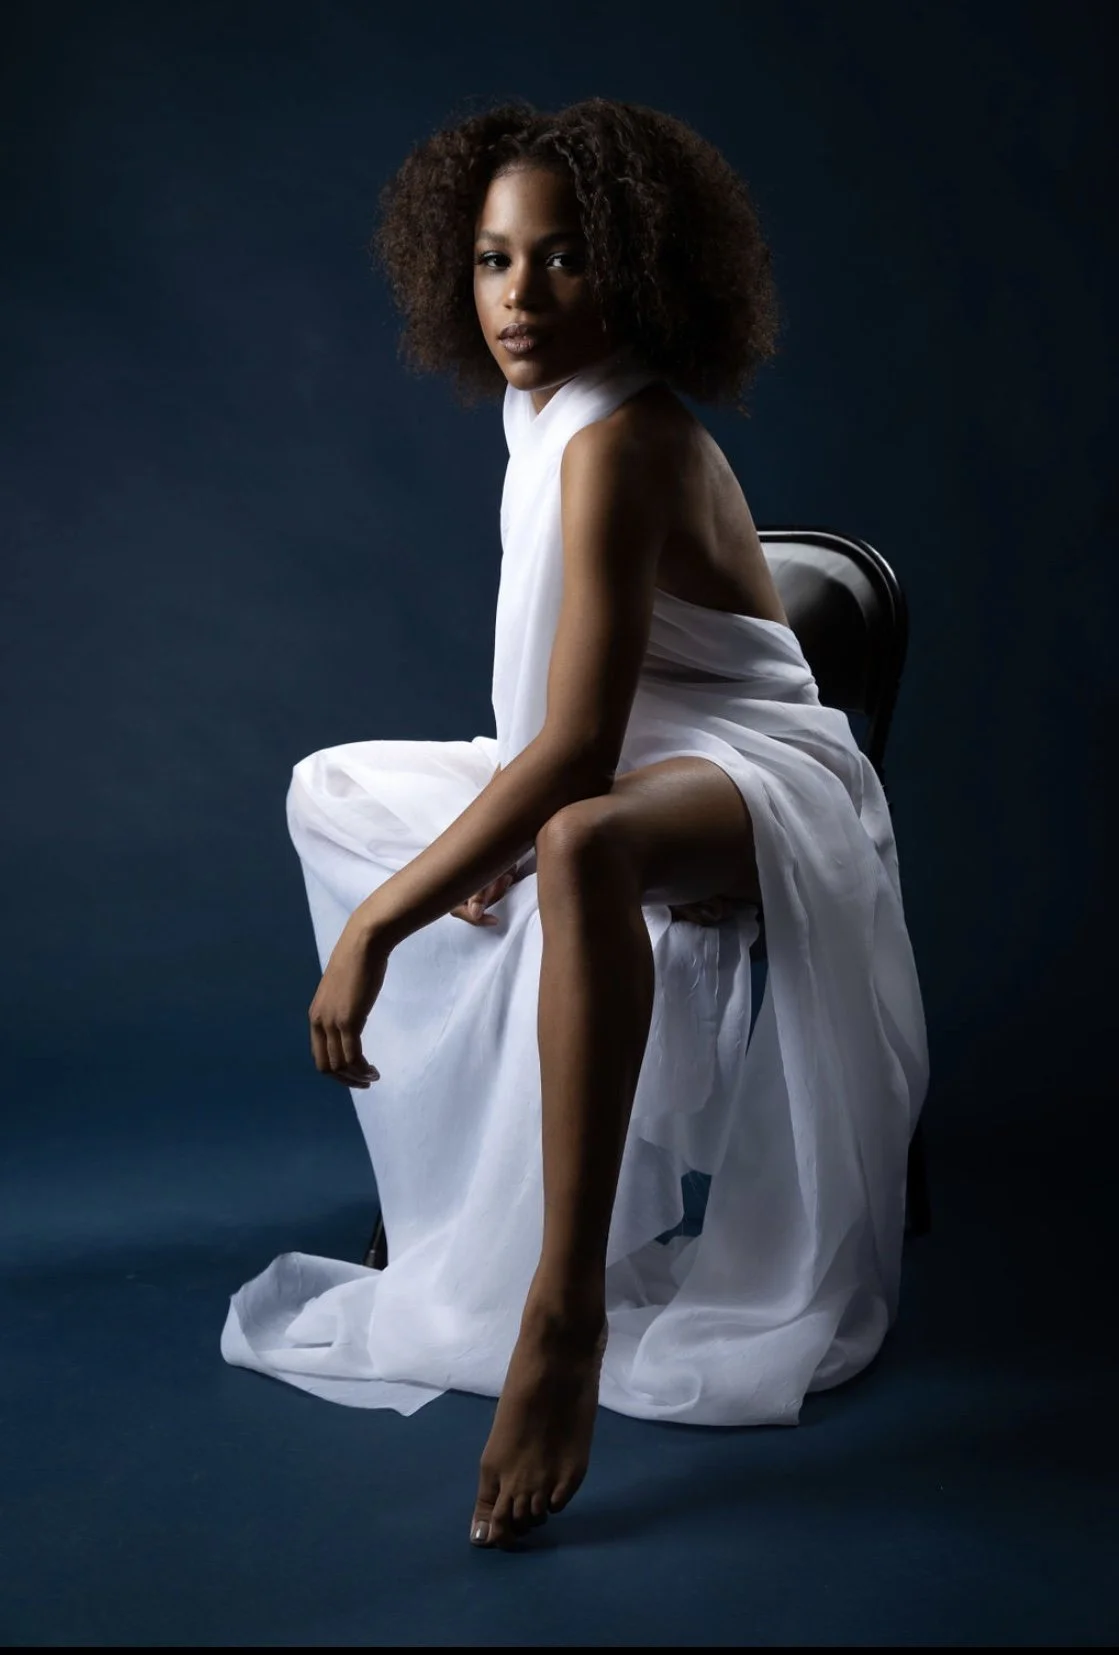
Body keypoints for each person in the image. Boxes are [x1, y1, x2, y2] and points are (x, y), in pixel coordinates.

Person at [221, 96, 929, 1551]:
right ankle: (484, 1182)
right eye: (490, 261)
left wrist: (378, 923)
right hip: (618, 760)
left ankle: (563, 1312)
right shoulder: (530, 412)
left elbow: (576, 751)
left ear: (637, 268)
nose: (518, 299)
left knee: (565, 843)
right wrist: (447, 854)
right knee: (334, 786)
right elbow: (553, 725)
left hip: (763, 782)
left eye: (559, 260)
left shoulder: (624, 439)